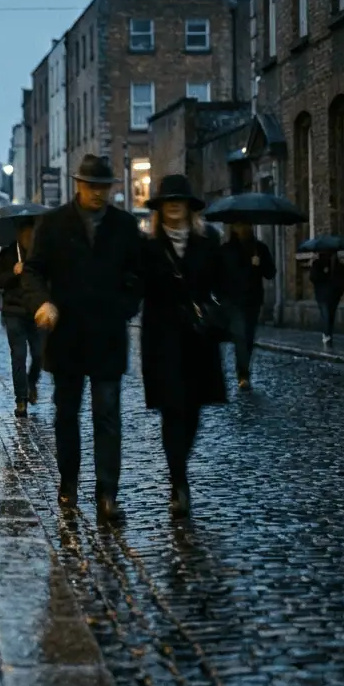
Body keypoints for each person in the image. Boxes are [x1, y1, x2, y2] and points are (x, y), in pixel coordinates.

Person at [23, 154, 143, 521]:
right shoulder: (54, 223)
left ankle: (108, 493)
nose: (98, 194)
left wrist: (124, 305)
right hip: (67, 335)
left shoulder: (124, 226)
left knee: (107, 415)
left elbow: (137, 274)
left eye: (104, 187)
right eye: (92, 186)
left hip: (107, 333)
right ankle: (68, 483)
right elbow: (33, 271)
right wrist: (42, 303)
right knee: (67, 414)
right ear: (78, 185)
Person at [141, 175, 228, 518]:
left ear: (190, 207)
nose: (174, 205)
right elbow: (140, 287)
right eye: (168, 201)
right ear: (160, 208)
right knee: (172, 410)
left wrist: (219, 311)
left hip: (198, 338)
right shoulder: (148, 246)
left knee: (192, 413)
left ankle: (179, 469)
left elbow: (222, 283)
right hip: (162, 338)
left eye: (180, 200)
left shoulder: (208, 241)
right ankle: (178, 480)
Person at [0, 221, 43, 419]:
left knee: (39, 354)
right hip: (14, 312)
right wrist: (13, 273)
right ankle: (20, 400)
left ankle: (32, 382)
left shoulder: (41, 254)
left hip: (35, 312)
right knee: (19, 356)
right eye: (26, 233)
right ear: (20, 234)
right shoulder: (8, 255)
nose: (29, 237)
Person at [221, 222, 276, 389]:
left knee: (249, 337)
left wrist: (260, 264)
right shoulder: (226, 250)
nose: (243, 228)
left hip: (252, 300)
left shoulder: (259, 248)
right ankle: (243, 375)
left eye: (246, 225)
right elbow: (219, 274)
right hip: (234, 300)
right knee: (240, 336)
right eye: (239, 225)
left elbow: (270, 273)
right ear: (233, 228)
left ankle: (244, 371)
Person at [310, 250, 344, 347]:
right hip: (322, 295)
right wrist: (324, 274)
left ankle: (328, 334)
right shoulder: (318, 264)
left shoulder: (338, 265)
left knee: (331, 315)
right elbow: (313, 277)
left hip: (333, 295)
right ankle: (327, 335)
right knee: (326, 314)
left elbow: (342, 279)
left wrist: (339, 291)